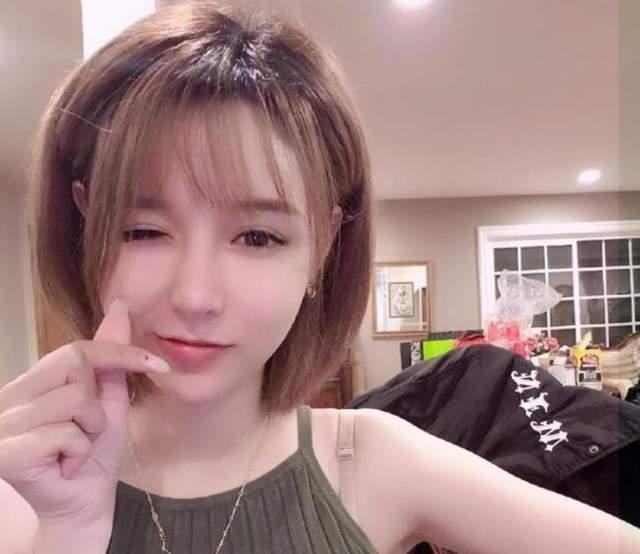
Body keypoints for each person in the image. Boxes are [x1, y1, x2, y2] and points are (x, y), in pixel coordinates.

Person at [1, 2, 639, 553]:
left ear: (323, 246)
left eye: (257, 237)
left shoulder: (374, 463)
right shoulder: (22, 490)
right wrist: (68, 532)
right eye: (143, 230)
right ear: (86, 223)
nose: (195, 296)